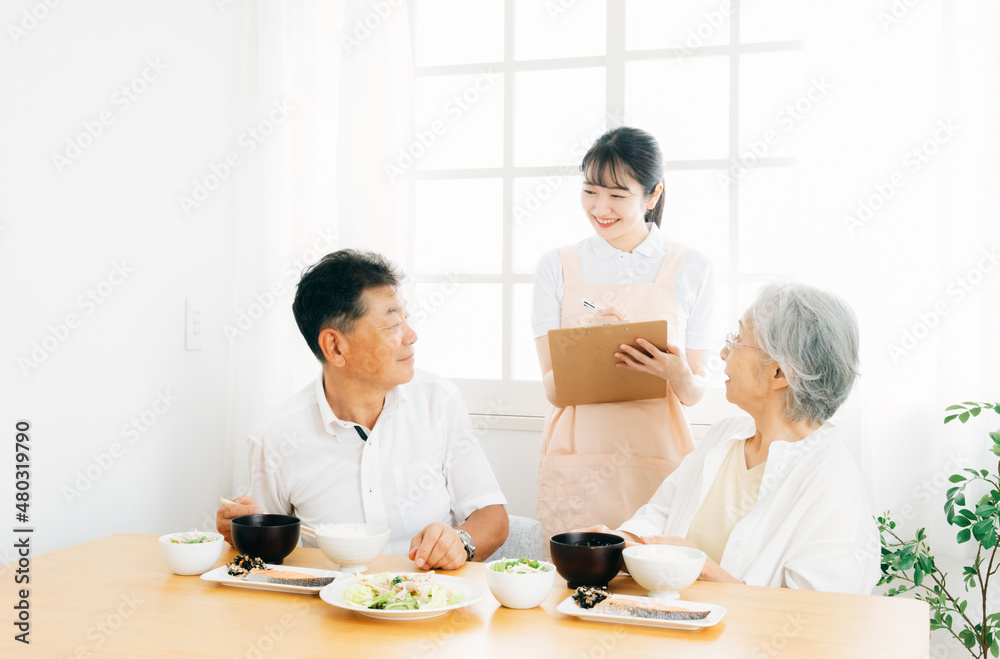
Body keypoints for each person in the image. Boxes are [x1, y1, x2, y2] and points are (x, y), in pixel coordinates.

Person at [216, 249, 509, 571]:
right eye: (393, 325)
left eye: (406, 320)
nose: (411, 336)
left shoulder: (437, 400)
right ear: (335, 347)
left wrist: (460, 542)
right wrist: (239, 531)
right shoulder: (275, 437)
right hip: (330, 607)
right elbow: (265, 550)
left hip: (431, 600)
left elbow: (493, 517)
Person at [585, 283, 879, 594]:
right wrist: (616, 542)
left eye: (738, 340)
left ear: (779, 373)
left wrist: (700, 567)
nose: (725, 351)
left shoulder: (833, 482)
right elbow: (660, 515)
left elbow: (817, 616)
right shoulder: (725, 435)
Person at [532, 126, 715, 540]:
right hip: (579, 456)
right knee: (575, 589)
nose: (601, 208)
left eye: (617, 195)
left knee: (658, 584)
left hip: (659, 454)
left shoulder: (692, 267)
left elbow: (692, 392)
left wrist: (675, 371)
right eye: (591, 191)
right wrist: (586, 346)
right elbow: (553, 390)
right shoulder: (557, 266)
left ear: (653, 196)